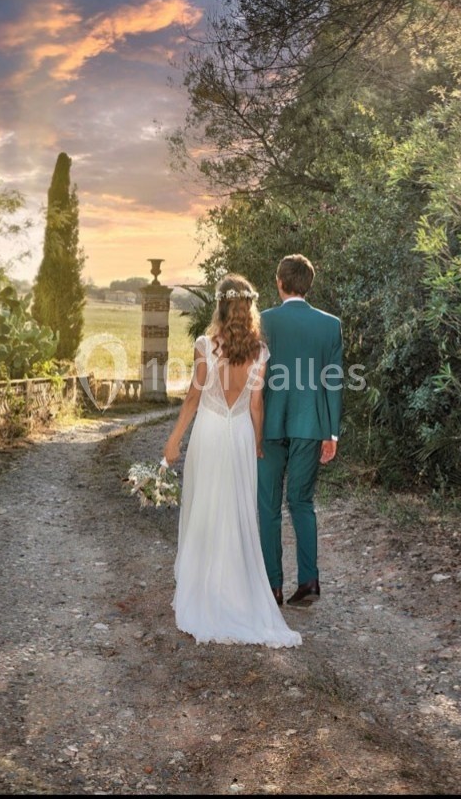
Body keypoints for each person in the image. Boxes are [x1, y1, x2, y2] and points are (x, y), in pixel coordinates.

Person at [161, 274, 302, 648]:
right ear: (249, 307)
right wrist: (257, 443)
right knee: (238, 511)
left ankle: (203, 590)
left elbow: (193, 397)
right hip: (239, 434)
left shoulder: (205, 345)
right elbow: (256, 405)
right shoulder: (260, 352)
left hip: (208, 431)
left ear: (220, 305)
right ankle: (237, 595)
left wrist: (174, 439)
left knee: (205, 507)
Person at [257, 254, 343, 607]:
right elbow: (334, 381)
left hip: (269, 423)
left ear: (279, 282)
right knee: (302, 501)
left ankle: (272, 587)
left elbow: (255, 378)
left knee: (268, 505)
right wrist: (332, 433)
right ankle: (309, 580)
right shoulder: (330, 325)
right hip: (312, 423)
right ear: (309, 284)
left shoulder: (262, 321)